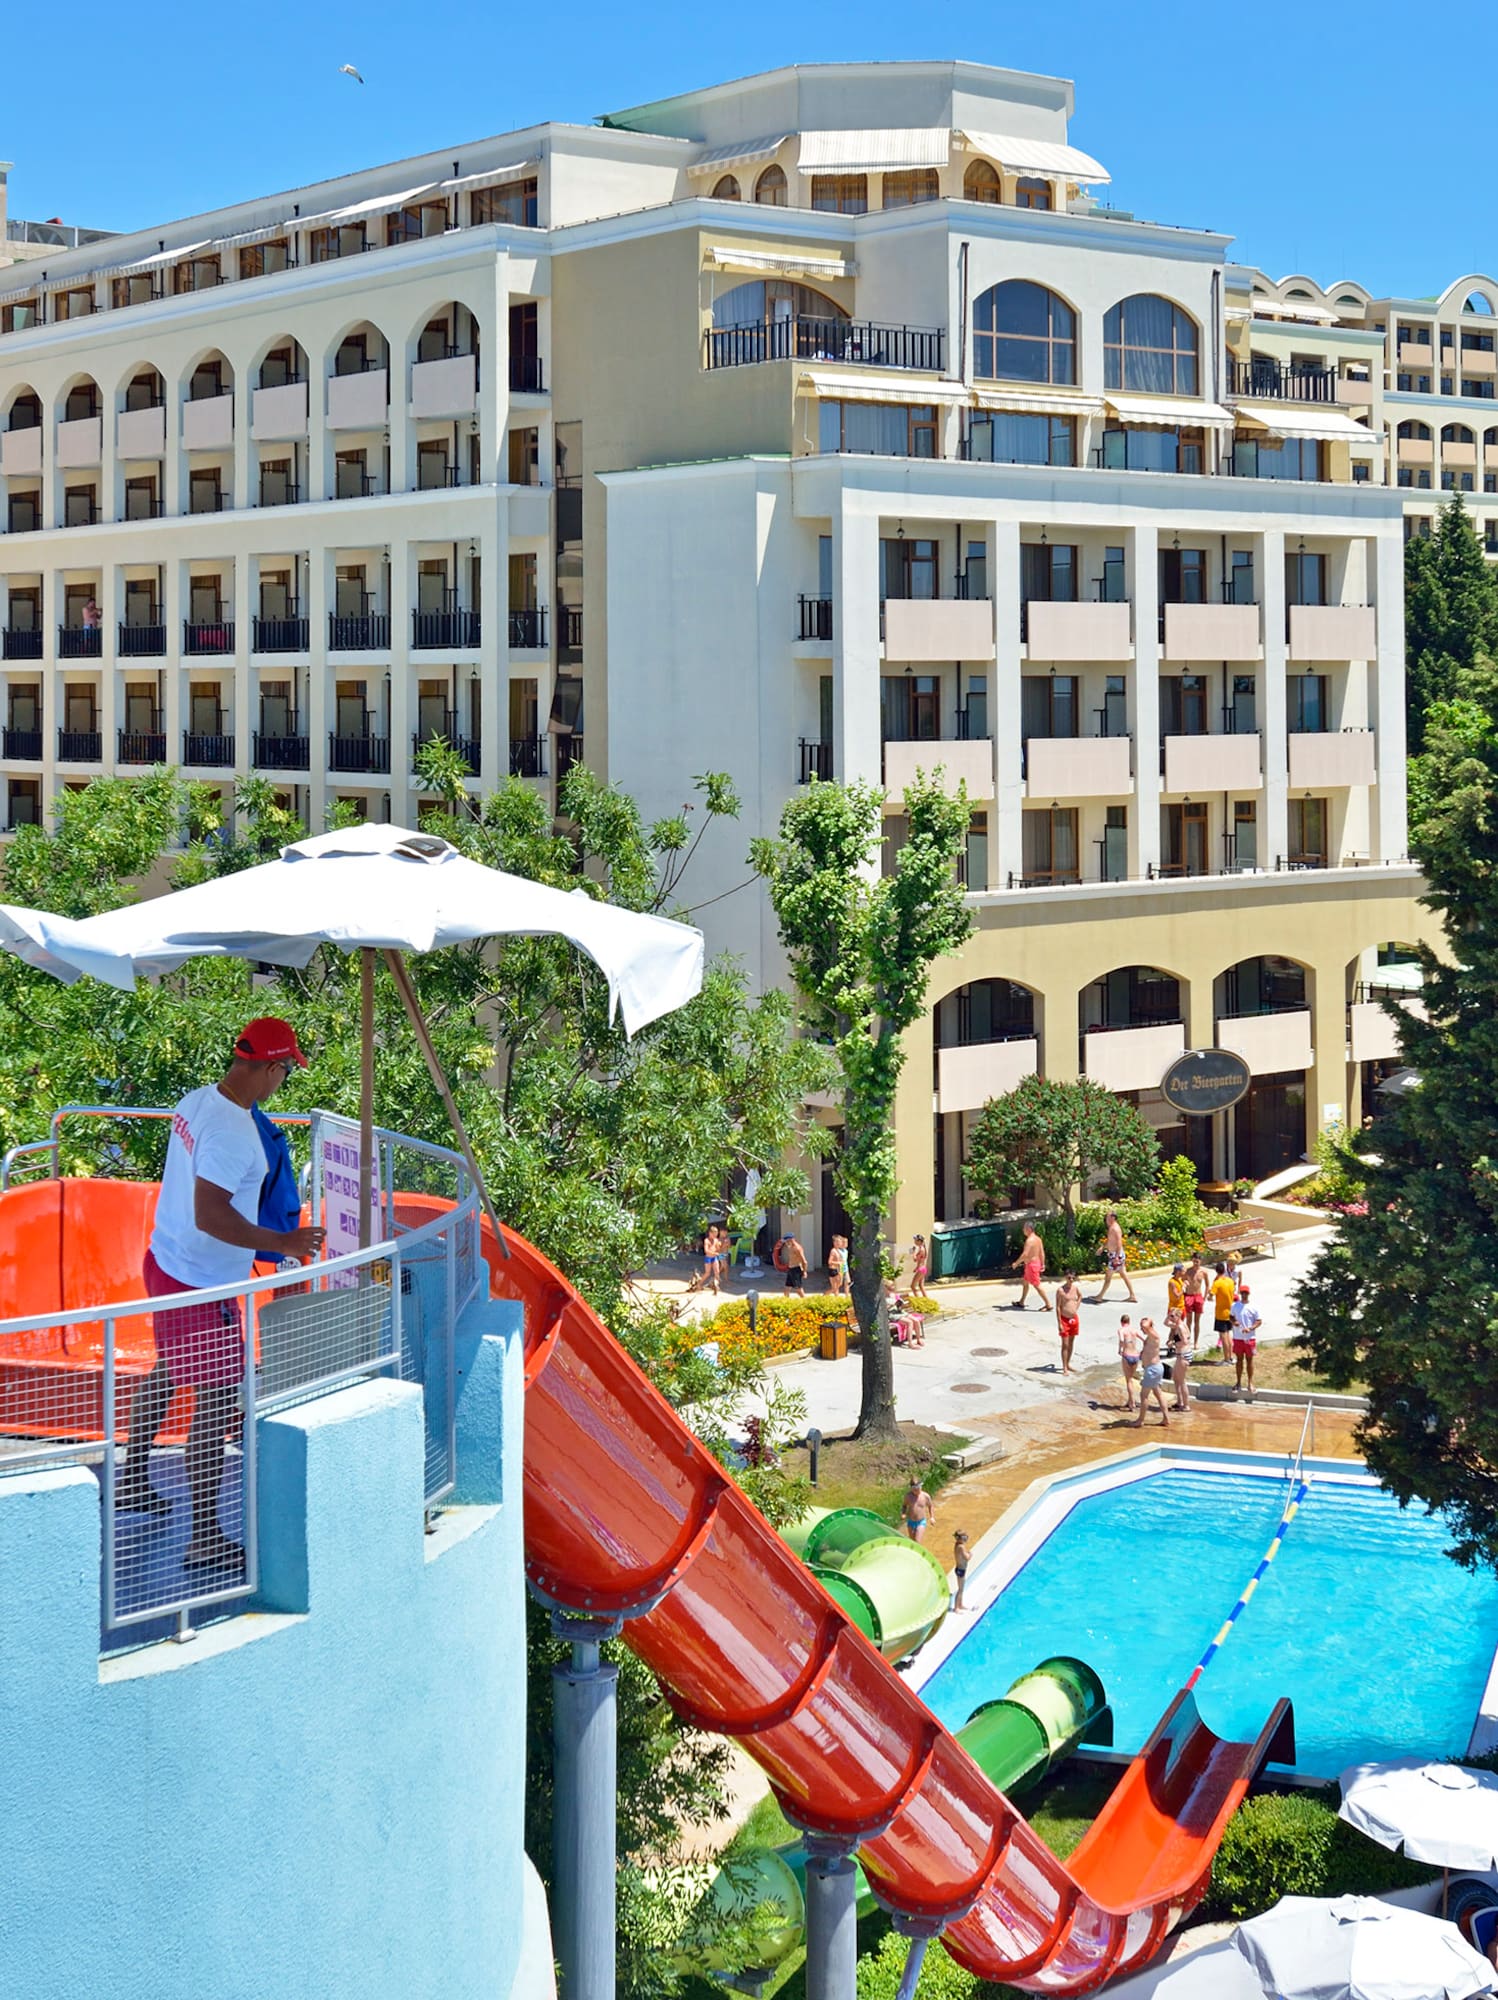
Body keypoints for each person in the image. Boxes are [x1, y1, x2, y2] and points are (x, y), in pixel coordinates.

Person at [118, 1019, 325, 1571]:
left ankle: (134, 1477)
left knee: (166, 1368)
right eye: (286, 1071)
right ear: (270, 1068)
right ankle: (203, 1537)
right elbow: (210, 1214)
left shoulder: (195, 1101)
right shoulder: (237, 1137)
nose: (284, 1082)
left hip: (165, 1263)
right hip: (202, 1286)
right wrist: (282, 1241)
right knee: (213, 1408)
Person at [1089, 1211, 1137, 1305]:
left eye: (1107, 1217)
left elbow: (1119, 1243)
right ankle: (1132, 1295)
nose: (1105, 1219)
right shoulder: (1112, 1228)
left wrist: (1117, 1257)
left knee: (1108, 1276)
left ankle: (1100, 1296)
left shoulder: (1115, 1228)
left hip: (1116, 1255)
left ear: (1112, 1218)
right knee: (1123, 1274)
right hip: (1115, 1255)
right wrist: (1102, 1248)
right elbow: (1110, 1240)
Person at [1133, 1317, 1170, 1428]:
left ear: (1150, 1326)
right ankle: (1166, 1419)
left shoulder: (1154, 1336)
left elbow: (1145, 1325)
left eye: (1143, 1327)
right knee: (1158, 1393)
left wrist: (1146, 1321)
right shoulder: (1149, 1337)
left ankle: (1140, 1420)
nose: (1141, 1329)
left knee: (1143, 1395)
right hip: (1154, 1368)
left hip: (1153, 1369)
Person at [1232, 1282, 1263, 1401]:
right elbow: (1231, 1316)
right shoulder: (1235, 1306)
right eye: (1242, 1293)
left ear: (1248, 1294)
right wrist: (1234, 1322)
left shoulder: (1254, 1307)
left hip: (1250, 1338)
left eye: (1246, 1293)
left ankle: (1250, 1382)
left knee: (1249, 1360)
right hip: (1238, 1337)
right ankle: (1238, 1382)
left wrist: (1250, 1328)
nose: (1244, 1295)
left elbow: (1259, 1321)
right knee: (1239, 1360)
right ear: (1240, 1294)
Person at [1010, 1222, 1051, 1312]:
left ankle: (1048, 1304)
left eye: (1024, 1228)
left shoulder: (1029, 1241)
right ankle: (1021, 1302)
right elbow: (1041, 1253)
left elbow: (1025, 1254)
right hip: (1035, 1264)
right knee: (1025, 1282)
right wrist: (1043, 1264)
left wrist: (1016, 1263)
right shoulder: (1038, 1239)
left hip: (1031, 1266)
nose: (1023, 1230)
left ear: (1029, 1229)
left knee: (1037, 1285)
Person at [1054, 1271, 1082, 1375]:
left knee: (1071, 1343)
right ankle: (1064, 1367)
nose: (1071, 1280)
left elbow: (1080, 1297)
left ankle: (1068, 1364)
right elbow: (1057, 1307)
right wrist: (1059, 1323)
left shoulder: (1075, 1289)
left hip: (1074, 1319)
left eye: (1073, 1278)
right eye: (1069, 1278)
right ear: (1066, 1277)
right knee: (1065, 1344)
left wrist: (1076, 1306)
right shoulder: (1060, 1291)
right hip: (1064, 1319)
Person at [1211, 1262, 1237, 1363]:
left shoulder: (1217, 1283)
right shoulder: (1230, 1281)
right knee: (1229, 1335)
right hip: (1230, 1312)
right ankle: (1230, 1357)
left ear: (1216, 1271)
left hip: (1221, 1313)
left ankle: (1226, 1359)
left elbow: (1211, 1294)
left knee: (1223, 1336)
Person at [1183, 1254, 1209, 1355]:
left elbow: (1207, 1285)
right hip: (1189, 1296)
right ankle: (1188, 1341)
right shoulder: (1188, 1271)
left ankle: (1196, 1341)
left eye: (1197, 1261)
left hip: (1198, 1296)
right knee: (1188, 1321)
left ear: (1200, 1261)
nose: (1195, 1263)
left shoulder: (1203, 1272)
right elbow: (1182, 1281)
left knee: (1197, 1321)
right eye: (1194, 1261)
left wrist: (1204, 1297)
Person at [1165, 1311, 1191, 1412]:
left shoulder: (1180, 1327)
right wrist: (1169, 1315)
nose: (1171, 1318)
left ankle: (1186, 1405)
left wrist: (1173, 1342)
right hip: (1180, 1354)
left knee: (1181, 1380)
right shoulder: (1177, 1325)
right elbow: (1165, 1323)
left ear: (1178, 1316)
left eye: (1173, 1316)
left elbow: (1185, 1341)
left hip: (1183, 1355)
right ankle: (1180, 1401)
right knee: (1175, 1378)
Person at [1117, 1314, 1142, 1412]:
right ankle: (1130, 1401)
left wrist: (1120, 1349)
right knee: (1131, 1379)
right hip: (1136, 1355)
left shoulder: (1121, 1330)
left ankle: (1132, 1403)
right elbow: (1144, 1339)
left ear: (1122, 1322)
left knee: (1129, 1381)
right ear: (1129, 1322)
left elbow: (1122, 1340)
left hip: (1127, 1355)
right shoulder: (1134, 1330)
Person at [903, 1477, 934, 1543]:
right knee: (912, 1542)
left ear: (921, 1487)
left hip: (921, 1522)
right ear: (911, 1488)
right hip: (911, 1522)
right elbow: (904, 1505)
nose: (916, 1491)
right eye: (914, 1489)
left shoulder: (925, 1496)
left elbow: (930, 1506)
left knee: (917, 1541)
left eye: (918, 1489)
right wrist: (903, 1513)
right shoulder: (908, 1496)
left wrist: (932, 1517)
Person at [952, 1529, 970, 1611]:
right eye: (964, 1537)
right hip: (961, 1570)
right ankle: (956, 1608)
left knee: (962, 1589)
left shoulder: (957, 1545)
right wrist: (970, 1554)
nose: (966, 1538)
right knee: (960, 1589)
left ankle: (960, 1604)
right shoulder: (961, 1547)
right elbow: (966, 1558)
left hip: (960, 1569)